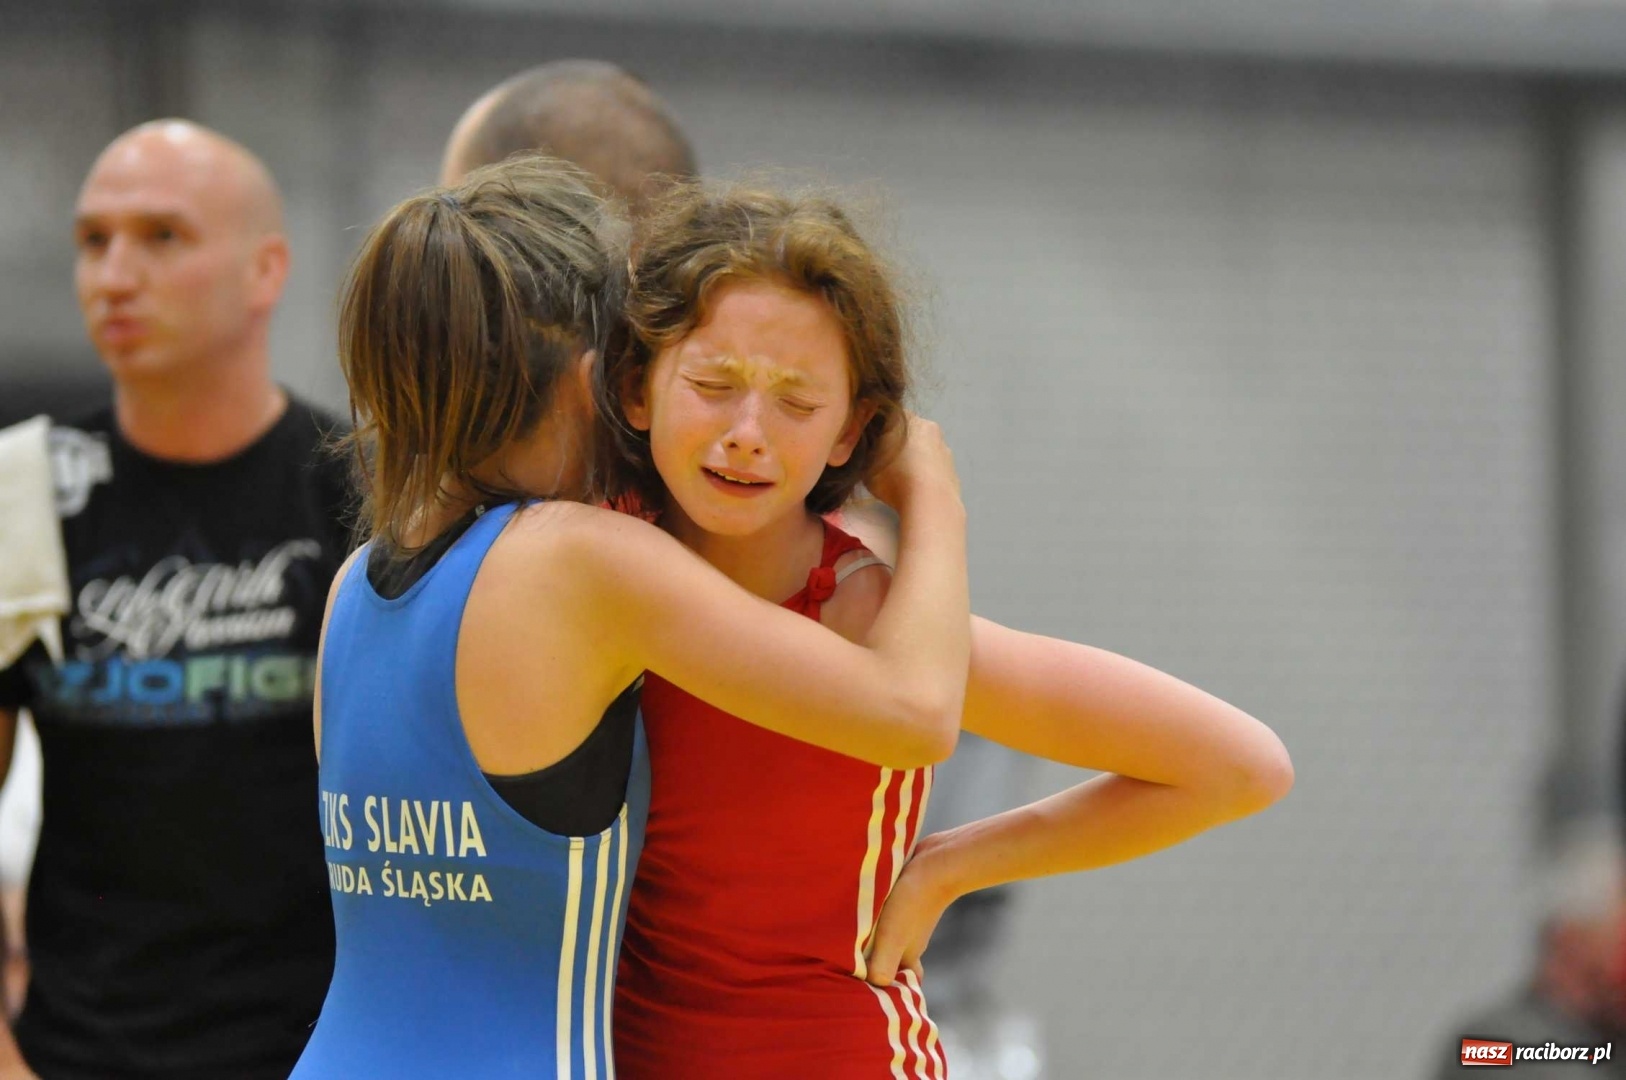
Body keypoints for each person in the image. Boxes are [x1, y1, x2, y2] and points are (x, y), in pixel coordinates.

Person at [291, 156, 972, 1078]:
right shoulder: (577, 558)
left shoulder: (357, 588)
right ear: (595, 379)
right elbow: (917, 710)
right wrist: (931, 494)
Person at [598, 180, 1295, 1078]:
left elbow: (1240, 766)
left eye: (797, 404)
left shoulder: (868, 619)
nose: (746, 433)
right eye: (713, 384)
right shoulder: (587, 561)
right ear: (635, 388)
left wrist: (952, 865)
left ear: (853, 433)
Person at [0, 120, 348, 1079]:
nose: (113, 273)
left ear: (266, 270)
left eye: (162, 237)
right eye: (92, 240)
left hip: (316, 1055)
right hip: (73, 1056)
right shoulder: (18, 493)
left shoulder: (363, 491)